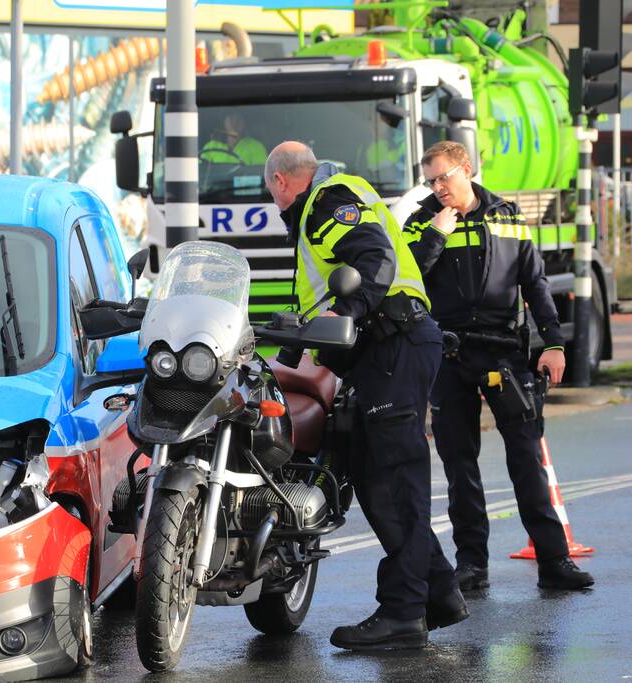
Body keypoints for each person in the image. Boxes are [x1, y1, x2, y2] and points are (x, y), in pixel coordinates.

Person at [265, 141, 466, 651]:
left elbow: (372, 259)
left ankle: (402, 615)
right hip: (386, 350)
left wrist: (349, 316)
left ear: (281, 182)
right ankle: (438, 592)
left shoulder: (328, 200)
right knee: (372, 471)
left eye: (273, 194)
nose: (275, 203)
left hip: (391, 343)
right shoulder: (326, 203)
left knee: (393, 481)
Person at [403, 141, 594, 591]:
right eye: (430, 179)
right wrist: (436, 235)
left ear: (466, 169)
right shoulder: (421, 221)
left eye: (444, 176)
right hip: (448, 353)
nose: (437, 187)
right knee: (459, 464)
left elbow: (535, 282)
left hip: (505, 351)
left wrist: (555, 343)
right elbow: (408, 278)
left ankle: (554, 562)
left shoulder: (506, 215)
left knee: (527, 458)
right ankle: (472, 565)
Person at [201, 112, 268, 165]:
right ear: (224, 122)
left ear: (244, 123)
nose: (234, 122)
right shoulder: (211, 147)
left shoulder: (256, 146)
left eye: (238, 118)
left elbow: (260, 174)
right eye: (231, 118)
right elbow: (200, 172)